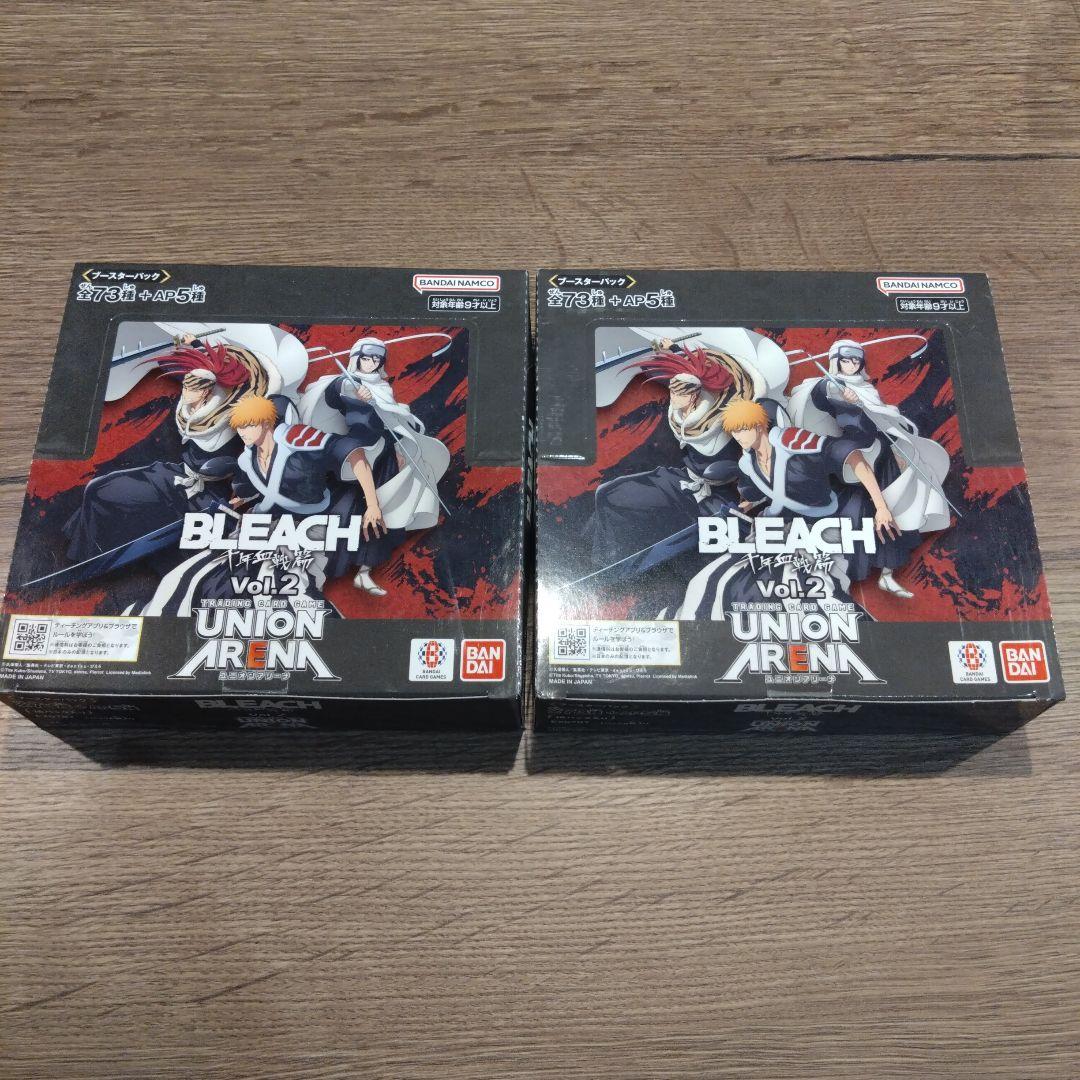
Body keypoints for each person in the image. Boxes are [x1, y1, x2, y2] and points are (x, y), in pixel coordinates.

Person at [140, 395, 384, 617]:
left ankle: (323, 626)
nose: (242, 432)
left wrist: (372, 505)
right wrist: (238, 500)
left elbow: (353, 454)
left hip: (308, 525)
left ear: (266, 423)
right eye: (239, 427)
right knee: (189, 573)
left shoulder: (296, 438)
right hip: (264, 523)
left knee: (282, 580)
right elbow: (251, 490)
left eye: (248, 425)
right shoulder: (247, 459)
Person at [787, 338, 952, 597]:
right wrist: (839, 390)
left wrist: (896, 443)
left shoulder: (866, 388)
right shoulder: (831, 385)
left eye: (856, 360)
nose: (851, 365)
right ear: (836, 361)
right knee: (853, 516)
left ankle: (887, 574)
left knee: (896, 509)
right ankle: (838, 575)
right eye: (845, 360)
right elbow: (819, 393)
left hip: (881, 453)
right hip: (853, 452)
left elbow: (880, 419)